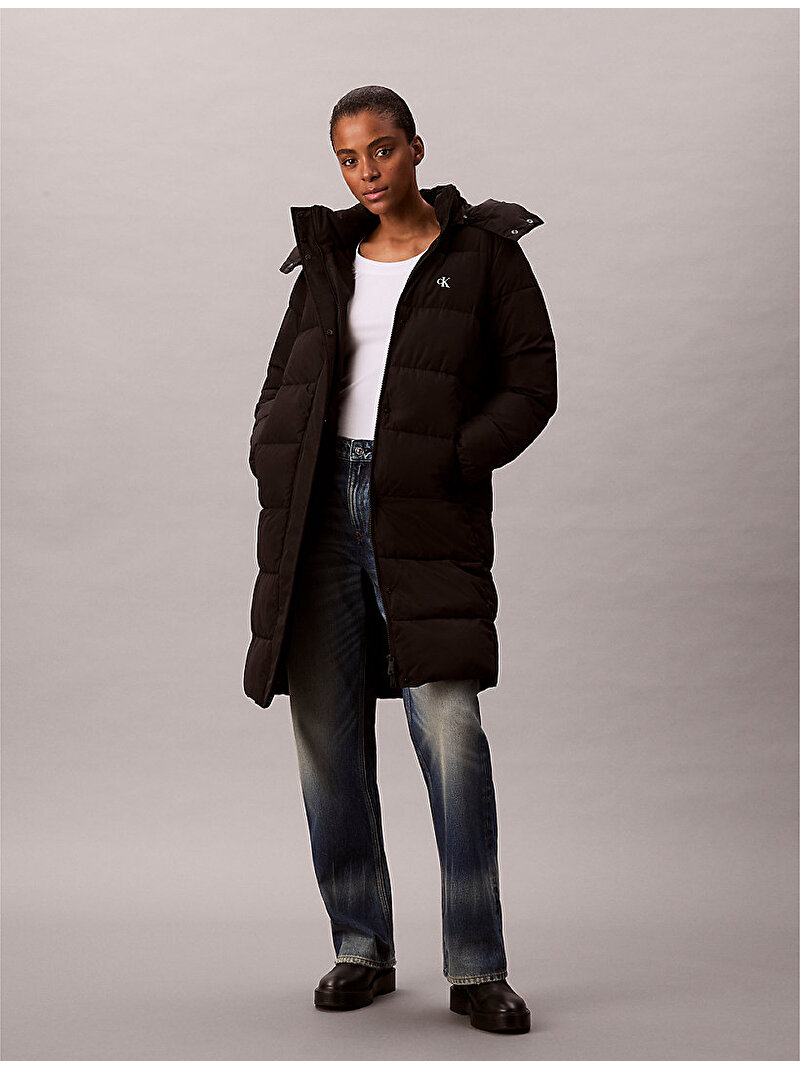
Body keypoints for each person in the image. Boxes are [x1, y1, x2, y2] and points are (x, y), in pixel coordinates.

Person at [244, 85, 557, 1035]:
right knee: (326, 736)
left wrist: (450, 459)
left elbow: (532, 383)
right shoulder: (327, 260)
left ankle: (477, 967)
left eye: (381, 150)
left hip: (423, 510)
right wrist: (272, 449)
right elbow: (282, 378)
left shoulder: (484, 254)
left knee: (450, 733)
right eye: (348, 158)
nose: (366, 172)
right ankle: (360, 946)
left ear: (416, 147)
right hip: (318, 514)